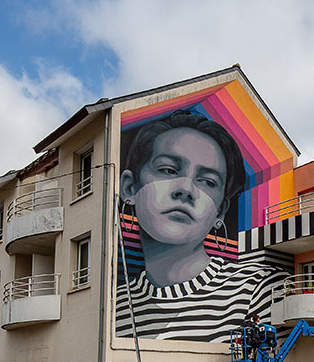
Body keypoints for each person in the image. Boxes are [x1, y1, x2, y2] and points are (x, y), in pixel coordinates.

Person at [115, 110, 288, 342]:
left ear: (220, 211)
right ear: (129, 188)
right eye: (168, 170)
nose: (186, 189)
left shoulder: (261, 290)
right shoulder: (113, 307)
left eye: (207, 181)